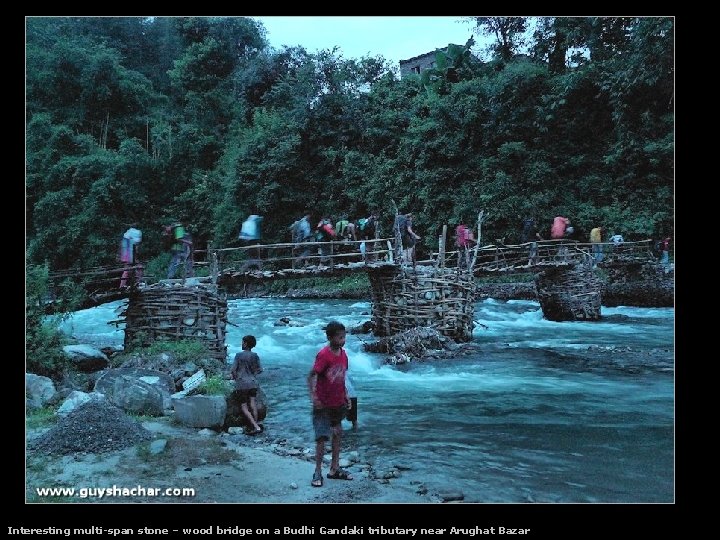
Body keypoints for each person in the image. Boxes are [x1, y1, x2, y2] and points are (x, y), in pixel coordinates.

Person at [307, 321, 353, 487]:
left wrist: (346, 395)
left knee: (337, 433)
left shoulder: (343, 354)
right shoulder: (324, 355)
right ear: (329, 337)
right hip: (323, 403)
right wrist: (314, 396)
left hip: (337, 401)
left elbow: (342, 377)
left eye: (344, 336)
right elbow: (311, 375)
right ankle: (317, 471)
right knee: (321, 437)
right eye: (340, 337)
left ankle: (334, 468)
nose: (343, 340)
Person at [230, 335, 264, 435]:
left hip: (242, 383)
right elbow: (259, 370)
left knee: (244, 407)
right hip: (253, 382)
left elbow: (233, 370)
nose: (241, 344)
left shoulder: (238, 355)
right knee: (252, 404)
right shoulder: (255, 355)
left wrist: (236, 377)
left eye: (242, 342)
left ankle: (255, 427)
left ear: (245, 344)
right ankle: (255, 423)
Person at [119, 223, 143, 288]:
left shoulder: (127, 233)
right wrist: (135, 256)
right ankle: (138, 283)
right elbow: (136, 245)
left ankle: (122, 285)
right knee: (138, 268)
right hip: (130, 253)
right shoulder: (137, 233)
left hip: (126, 254)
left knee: (127, 270)